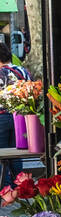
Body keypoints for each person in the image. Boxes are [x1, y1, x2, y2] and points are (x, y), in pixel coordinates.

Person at [0, 41, 31, 189]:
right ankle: (21, 188)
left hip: (2, 117)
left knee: (1, 156)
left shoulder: (1, 73)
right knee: (16, 155)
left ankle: (6, 191)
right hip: (21, 118)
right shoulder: (23, 71)